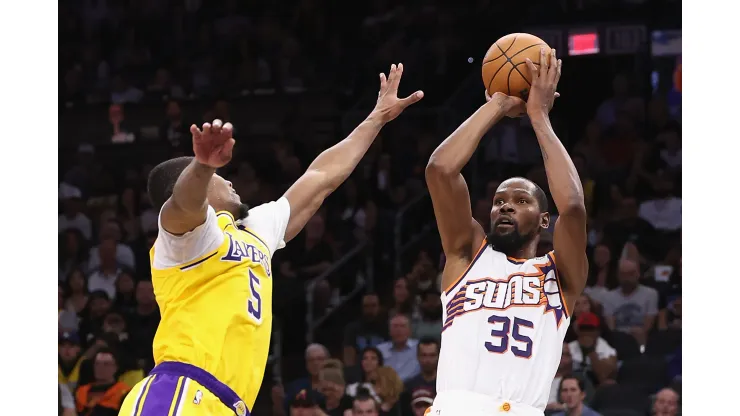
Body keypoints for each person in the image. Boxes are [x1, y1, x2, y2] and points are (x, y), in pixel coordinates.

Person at [118, 63, 423, 416]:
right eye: (219, 175)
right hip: (181, 391)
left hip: (229, 404)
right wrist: (202, 167)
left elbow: (321, 177)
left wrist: (376, 118)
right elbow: (182, 205)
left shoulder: (253, 227)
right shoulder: (187, 238)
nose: (228, 180)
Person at [425, 49, 587, 416]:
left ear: (544, 220)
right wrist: (497, 103)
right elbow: (440, 170)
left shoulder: (560, 275)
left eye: (520, 201)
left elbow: (573, 207)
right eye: (499, 201)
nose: (506, 206)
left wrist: (539, 117)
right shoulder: (466, 255)